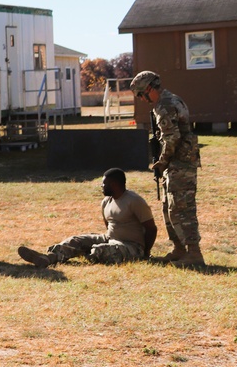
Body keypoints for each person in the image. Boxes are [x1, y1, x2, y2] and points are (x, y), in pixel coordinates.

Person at [131, 70, 204, 267]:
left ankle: (194, 253)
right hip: (177, 162)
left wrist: (162, 160)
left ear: (147, 89)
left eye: (140, 94)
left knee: (181, 208)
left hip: (179, 163)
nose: (141, 99)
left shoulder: (165, 105)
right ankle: (179, 249)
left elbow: (172, 138)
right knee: (168, 207)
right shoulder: (171, 100)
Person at [17, 168, 158, 268]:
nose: (102, 186)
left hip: (131, 246)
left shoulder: (134, 201)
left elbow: (151, 228)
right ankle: (48, 258)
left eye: (104, 184)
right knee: (76, 240)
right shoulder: (106, 202)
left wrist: (145, 252)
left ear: (114, 184)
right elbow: (107, 225)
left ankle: (86, 253)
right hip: (110, 239)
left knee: (100, 250)